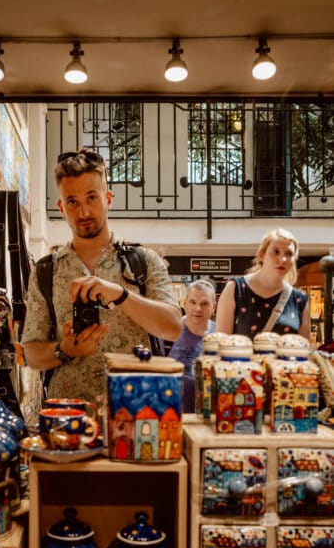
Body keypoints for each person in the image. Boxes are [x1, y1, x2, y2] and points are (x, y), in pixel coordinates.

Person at [22, 149, 182, 410]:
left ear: (108, 199)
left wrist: (120, 294)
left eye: (92, 197)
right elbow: (31, 354)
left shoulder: (144, 262)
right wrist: (65, 350)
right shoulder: (45, 271)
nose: (83, 211)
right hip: (68, 420)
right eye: (72, 201)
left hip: (137, 413)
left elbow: (173, 327)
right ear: (61, 208)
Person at [215, 228, 310, 339]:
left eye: (289, 254)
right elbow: (221, 345)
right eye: (275, 252)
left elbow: (304, 350)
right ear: (262, 255)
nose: (282, 259)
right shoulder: (235, 289)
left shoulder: (299, 300)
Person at [168, 279, 216, 413]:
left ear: (214, 307)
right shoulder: (169, 332)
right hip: (173, 413)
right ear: (184, 304)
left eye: (204, 303)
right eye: (193, 302)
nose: (198, 309)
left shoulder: (220, 336)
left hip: (208, 414)